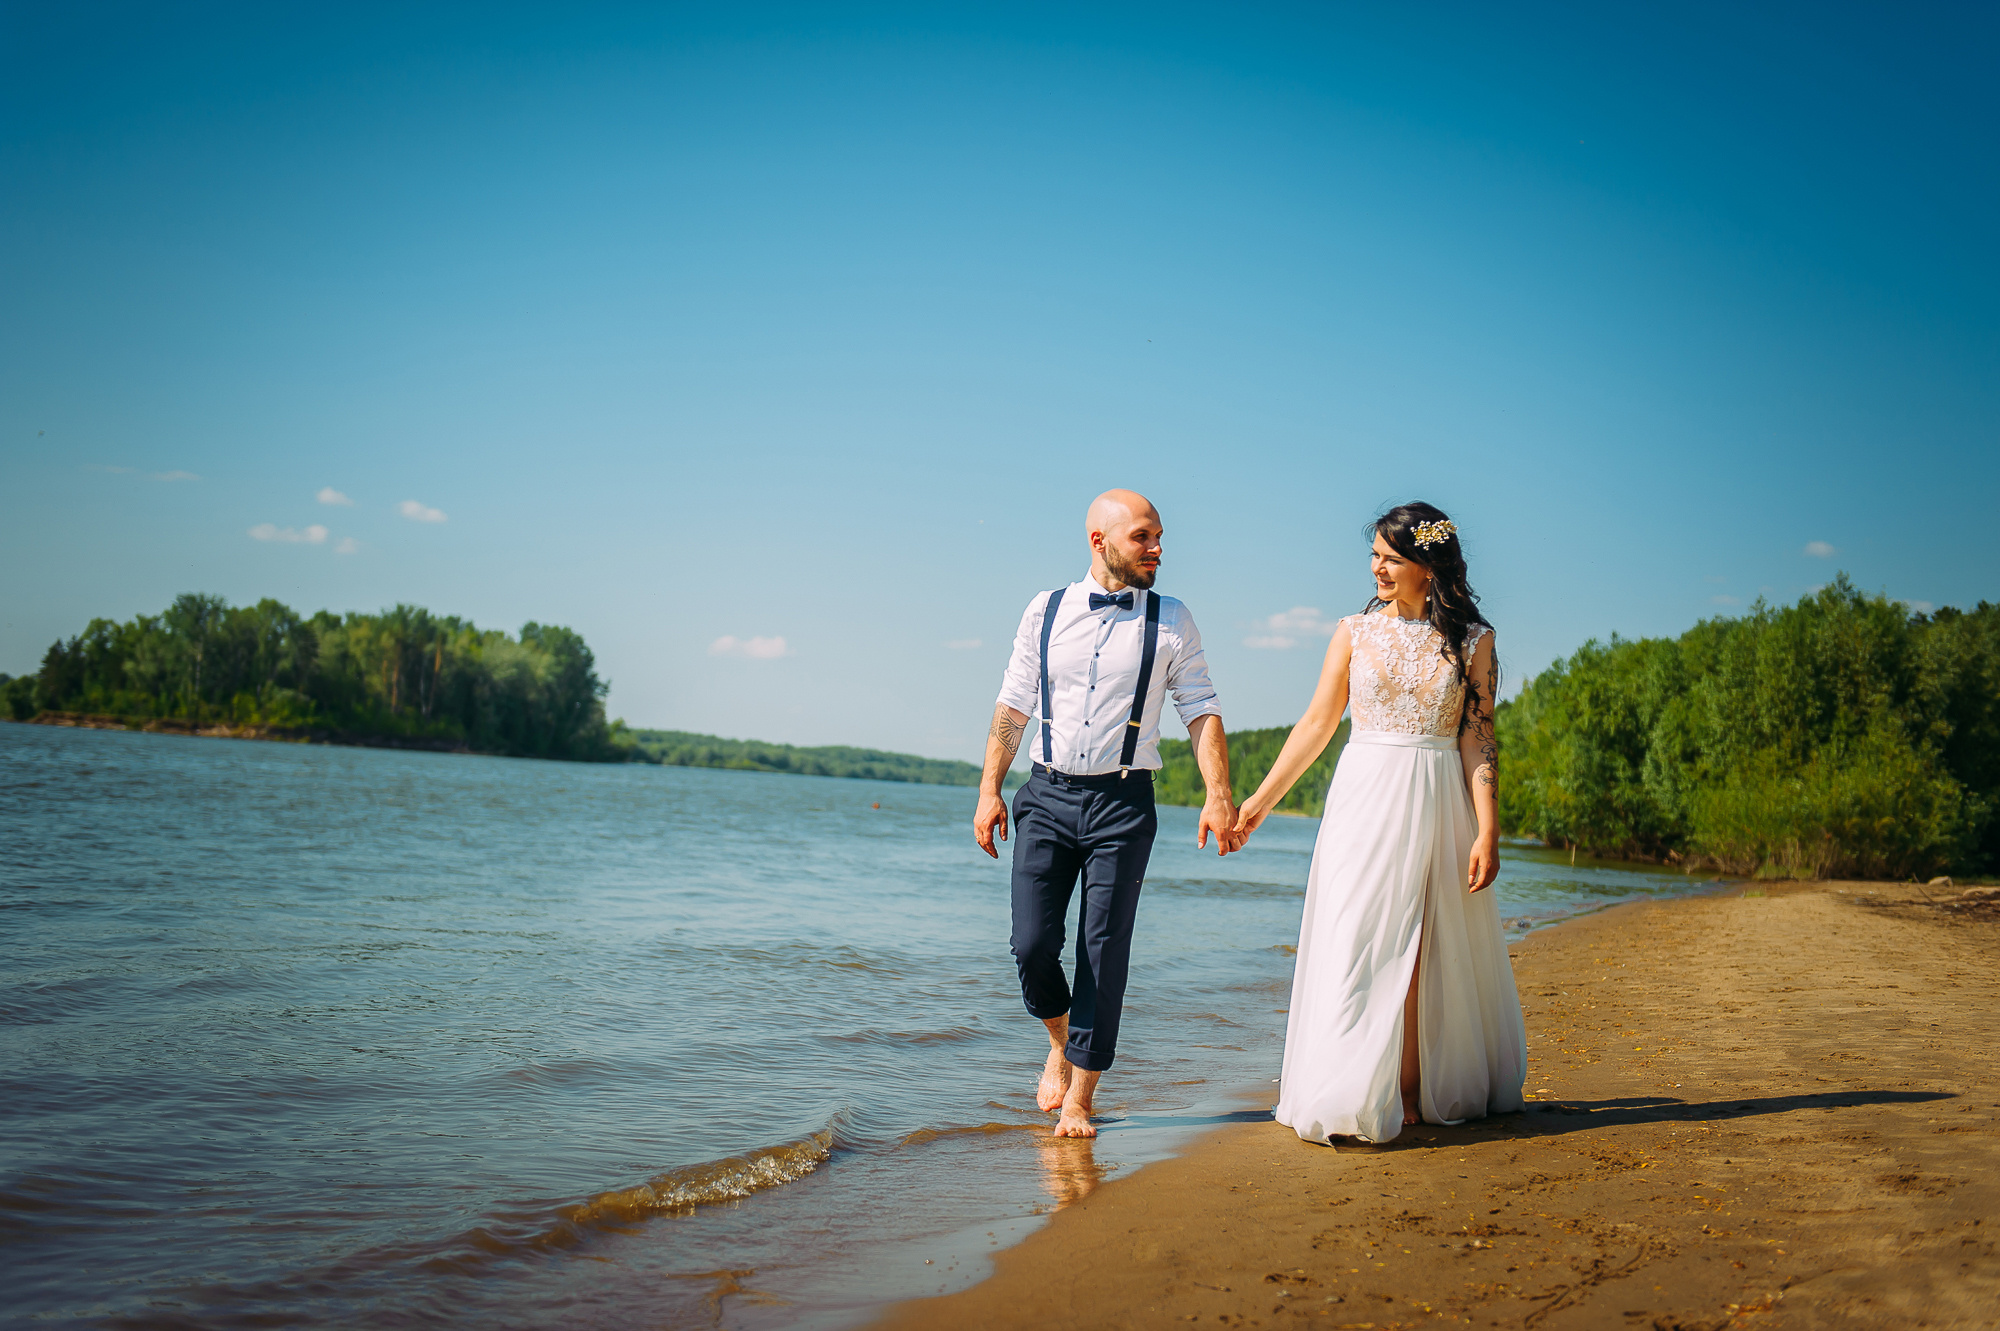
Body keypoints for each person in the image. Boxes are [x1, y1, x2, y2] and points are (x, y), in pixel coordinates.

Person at [1232, 502, 1526, 1142]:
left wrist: (1488, 828)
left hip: (1437, 795)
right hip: (1363, 795)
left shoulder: (1474, 641)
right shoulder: (1352, 632)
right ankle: (1343, 1084)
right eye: (1374, 557)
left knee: (1420, 944)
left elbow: (1479, 738)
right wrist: (1257, 805)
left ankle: (1407, 1087)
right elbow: (1316, 725)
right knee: (1354, 931)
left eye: (1392, 559)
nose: (1378, 570)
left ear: (1429, 566)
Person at [974, 488, 1241, 1138]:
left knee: (1103, 949)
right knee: (1032, 944)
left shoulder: (1173, 620)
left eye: (1158, 537)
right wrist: (989, 789)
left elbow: (1201, 708)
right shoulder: (1046, 609)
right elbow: (1013, 705)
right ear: (1099, 542)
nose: (1157, 549)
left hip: (1123, 803)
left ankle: (1080, 1099)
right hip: (1046, 794)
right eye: (1142, 537)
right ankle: (1061, 1042)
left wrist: (1218, 791)